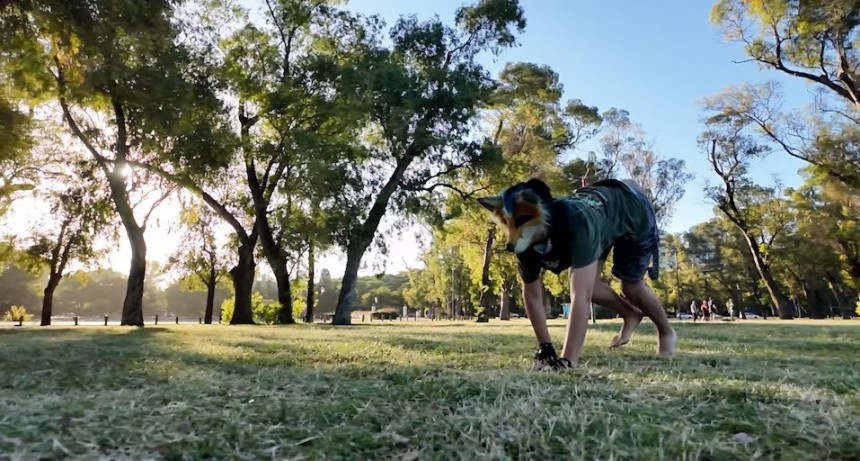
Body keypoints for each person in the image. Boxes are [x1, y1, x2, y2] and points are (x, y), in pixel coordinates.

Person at [477, 178, 677, 370]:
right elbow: (532, 293)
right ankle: (630, 314)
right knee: (593, 288)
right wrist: (545, 347)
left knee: (630, 286)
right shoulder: (525, 246)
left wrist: (566, 361)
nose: (513, 235)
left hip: (630, 209)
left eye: (521, 223)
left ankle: (666, 332)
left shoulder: (578, 225)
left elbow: (579, 297)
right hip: (602, 216)